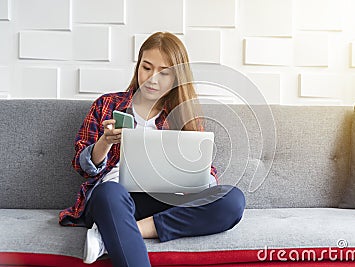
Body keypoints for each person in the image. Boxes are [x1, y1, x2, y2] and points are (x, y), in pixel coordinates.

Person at [59, 31, 246, 267]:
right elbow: (83, 167)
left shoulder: (184, 115)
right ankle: (114, 224)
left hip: (165, 199)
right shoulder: (107, 104)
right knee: (110, 193)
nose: (152, 79)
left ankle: (112, 233)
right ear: (138, 66)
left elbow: (205, 170)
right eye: (146, 68)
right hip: (115, 198)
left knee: (232, 200)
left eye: (164, 72)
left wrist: (203, 178)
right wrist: (105, 142)